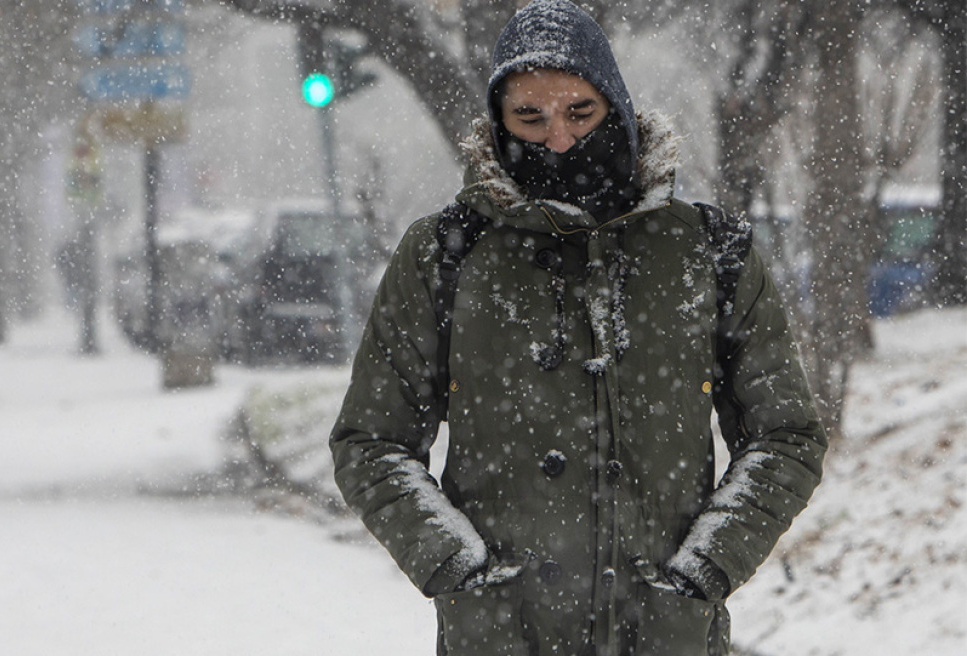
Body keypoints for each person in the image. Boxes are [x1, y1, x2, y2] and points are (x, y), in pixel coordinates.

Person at [329, 1, 827, 655]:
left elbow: (785, 436)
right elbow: (371, 442)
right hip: (502, 634)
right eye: (529, 118)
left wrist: (702, 572)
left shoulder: (710, 249)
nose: (557, 139)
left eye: (579, 113)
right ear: (500, 122)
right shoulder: (445, 253)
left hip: (663, 632)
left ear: (615, 107)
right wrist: (458, 570)